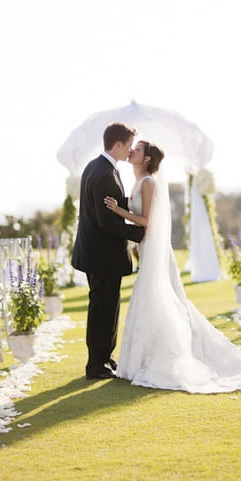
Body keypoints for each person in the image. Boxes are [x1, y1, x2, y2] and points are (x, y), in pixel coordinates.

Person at [104, 139, 241, 393]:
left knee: (159, 298)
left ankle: (168, 355)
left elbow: (148, 221)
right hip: (146, 250)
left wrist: (119, 211)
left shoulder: (148, 183)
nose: (132, 150)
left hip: (155, 251)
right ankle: (138, 360)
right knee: (152, 300)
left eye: (138, 149)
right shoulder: (135, 181)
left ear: (146, 158)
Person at [72, 122, 145, 380]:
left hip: (97, 254)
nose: (129, 151)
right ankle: (96, 365)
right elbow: (107, 221)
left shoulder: (97, 167)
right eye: (128, 146)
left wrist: (136, 203)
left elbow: (110, 207)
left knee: (107, 308)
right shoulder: (103, 172)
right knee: (103, 309)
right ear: (117, 144)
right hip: (101, 255)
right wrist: (140, 233)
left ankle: (104, 357)